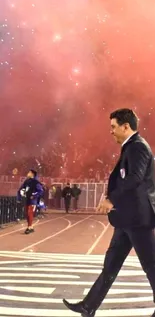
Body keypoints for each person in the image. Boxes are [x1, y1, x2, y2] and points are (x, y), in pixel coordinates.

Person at [63, 108, 155, 317]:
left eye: (113, 127)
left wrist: (111, 198)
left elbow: (135, 178)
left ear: (126, 126)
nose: (111, 131)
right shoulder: (131, 147)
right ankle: (88, 306)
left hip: (138, 220)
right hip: (127, 219)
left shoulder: (137, 147)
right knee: (110, 265)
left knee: (151, 266)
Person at [17, 169, 44, 234]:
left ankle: (29, 227)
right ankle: (31, 227)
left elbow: (41, 191)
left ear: (32, 174)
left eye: (29, 172)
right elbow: (21, 189)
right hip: (27, 199)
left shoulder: (36, 182)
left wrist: (34, 196)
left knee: (30, 212)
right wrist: (19, 197)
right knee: (27, 214)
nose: (28, 173)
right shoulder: (26, 181)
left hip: (33, 200)